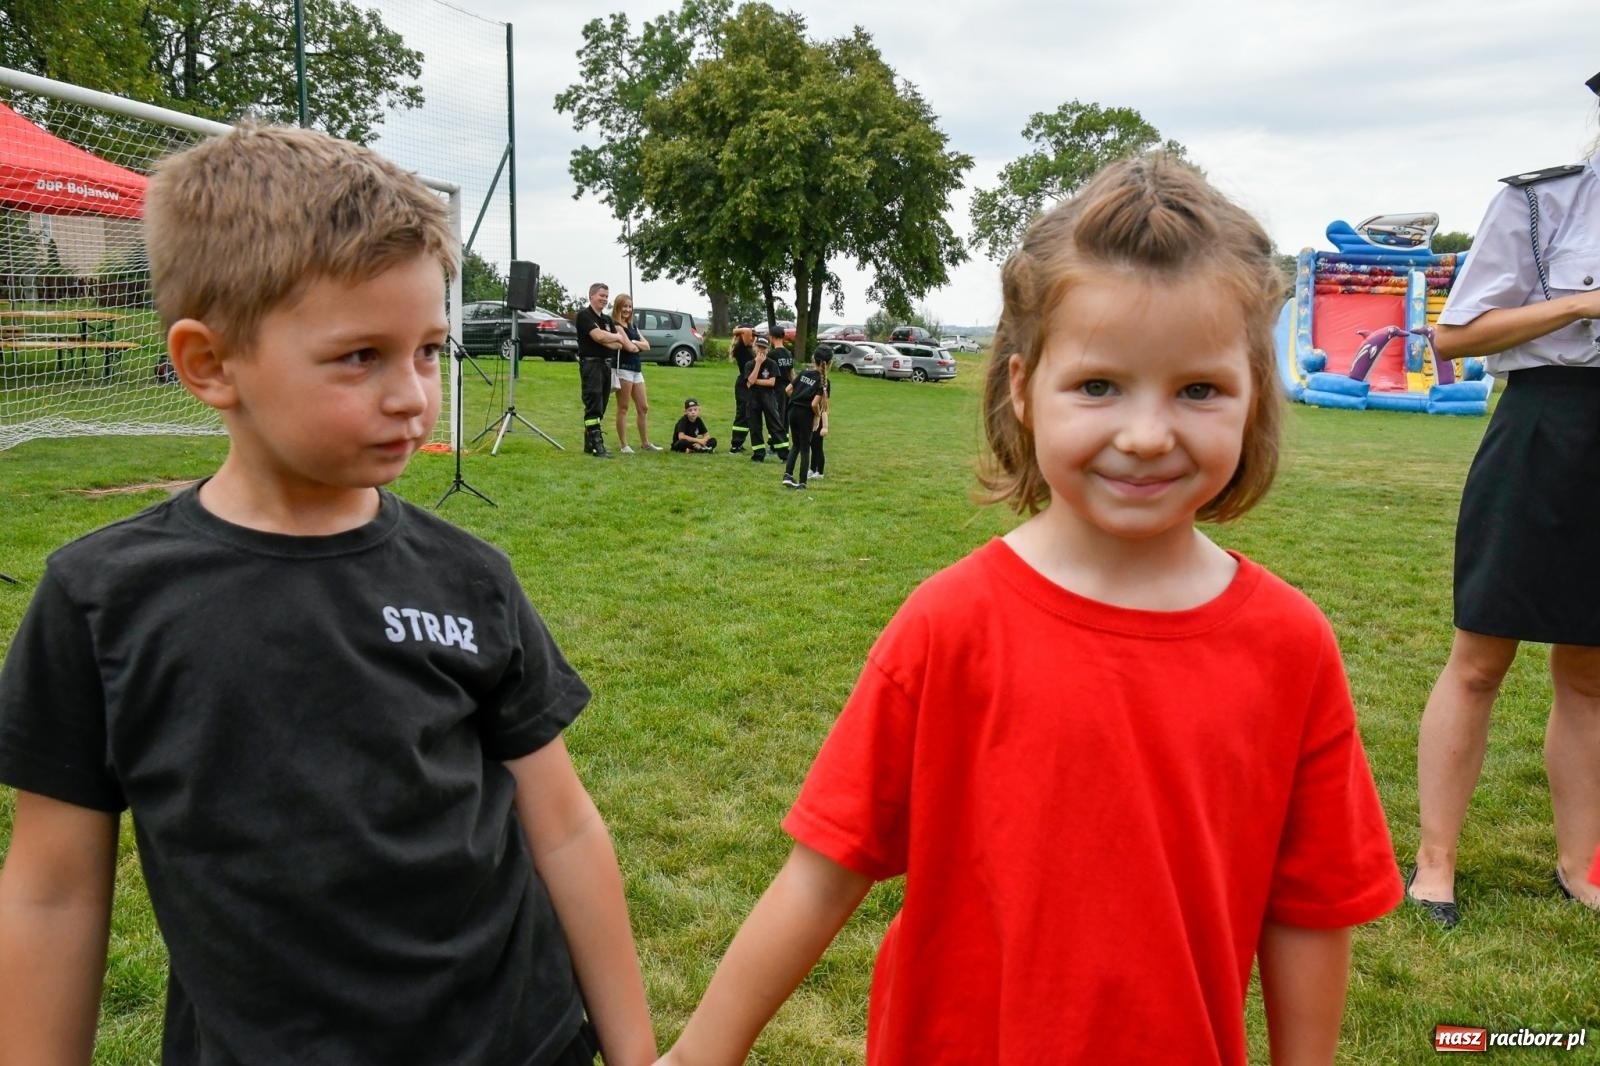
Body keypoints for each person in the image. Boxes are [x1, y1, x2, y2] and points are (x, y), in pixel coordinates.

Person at [655, 155, 1400, 1066]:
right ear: (1022, 389)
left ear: (1254, 402)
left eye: (1199, 389)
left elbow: (1311, 911)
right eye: (1098, 386)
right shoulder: (951, 623)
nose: (1145, 434)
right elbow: (823, 873)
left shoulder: (1290, 646)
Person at [0, 124, 656, 1066]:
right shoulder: (101, 602)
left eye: (428, 350)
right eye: (361, 357)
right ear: (209, 364)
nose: (414, 397)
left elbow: (561, 825)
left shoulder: (470, 578)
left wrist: (634, 1052)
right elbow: (52, 894)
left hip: (518, 1040)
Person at [1408, 70, 1600, 924]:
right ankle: (1434, 865)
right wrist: (1587, 302)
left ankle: (1580, 866)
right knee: (1482, 659)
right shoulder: (1542, 204)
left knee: (1592, 674)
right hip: (1543, 428)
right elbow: (1455, 334)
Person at [576, 281, 629, 458]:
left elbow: (617, 344)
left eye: (606, 296)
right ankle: (598, 447)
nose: (604, 299)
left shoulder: (606, 320)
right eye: (601, 296)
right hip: (591, 365)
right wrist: (613, 336)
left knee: (603, 404)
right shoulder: (584, 316)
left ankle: (588, 442)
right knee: (594, 404)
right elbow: (598, 336)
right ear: (591, 296)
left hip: (607, 365)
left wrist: (610, 338)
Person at [610, 293, 660, 454]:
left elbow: (647, 346)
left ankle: (645, 443)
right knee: (623, 407)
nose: (627, 309)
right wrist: (634, 345)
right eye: (624, 306)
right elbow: (629, 348)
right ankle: (624, 445)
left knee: (643, 407)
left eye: (630, 306)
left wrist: (634, 343)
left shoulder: (632, 326)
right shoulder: (617, 325)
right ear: (618, 306)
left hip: (636, 369)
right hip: (623, 368)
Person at [782, 347, 831, 489]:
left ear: (813, 358)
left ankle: (788, 475)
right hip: (805, 415)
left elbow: (788, 390)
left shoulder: (803, 373)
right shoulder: (824, 382)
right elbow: (815, 404)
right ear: (829, 363)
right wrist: (816, 416)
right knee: (805, 448)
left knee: (795, 445)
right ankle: (802, 483)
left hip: (792, 411)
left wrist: (797, 399)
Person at [746, 333, 787, 464]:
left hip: (768, 398)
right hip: (753, 399)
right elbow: (748, 382)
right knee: (755, 427)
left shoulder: (772, 364)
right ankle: (758, 454)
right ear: (755, 348)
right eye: (759, 347)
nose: (761, 350)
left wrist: (755, 381)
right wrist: (758, 364)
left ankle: (784, 454)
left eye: (764, 348)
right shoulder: (749, 365)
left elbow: (771, 382)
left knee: (775, 425)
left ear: (768, 350)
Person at [727, 325, 757, 454]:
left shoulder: (748, 347)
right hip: (743, 385)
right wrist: (736, 330)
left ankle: (739, 443)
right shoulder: (741, 347)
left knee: (747, 414)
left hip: (748, 384)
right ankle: (735, 445)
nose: (752, 336)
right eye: (751, 334)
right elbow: (746, 331)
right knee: (742, 414)